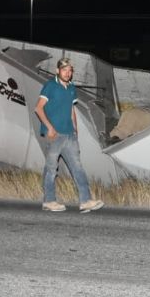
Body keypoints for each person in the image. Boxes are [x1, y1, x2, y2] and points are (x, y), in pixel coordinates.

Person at [34, 57, 105, 213]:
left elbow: (72, 109)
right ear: (58, 71)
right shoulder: (50, 86)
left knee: (78, 168)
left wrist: (75, 130)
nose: (67, 73)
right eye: (64, 70)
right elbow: (38, 108)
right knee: (52, 169)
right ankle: (49, 201)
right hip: (54, 135)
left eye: (69, 70)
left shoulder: (72, 88)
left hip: (69, 135)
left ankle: (85, 201)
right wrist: (50, 128)